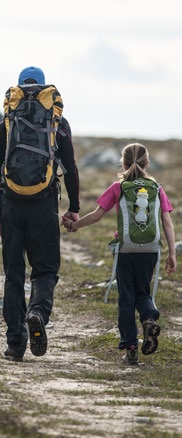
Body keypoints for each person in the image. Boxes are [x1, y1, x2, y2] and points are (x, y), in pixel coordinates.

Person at [0, 66, 80, 362]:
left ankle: (15, 344)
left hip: (10, 204)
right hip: (44, 204)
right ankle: (38, 312)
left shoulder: (7, 123)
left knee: (13, 275)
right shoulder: (57, 122)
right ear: (42, 90)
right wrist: (74, 208)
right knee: (46, 270)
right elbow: (71, 170)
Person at [62, 143, 176, 364]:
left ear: (123, 164)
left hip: (125, 250)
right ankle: (149, 318)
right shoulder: (157, 188)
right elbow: (167, 222)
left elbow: (96, 215)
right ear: (148, 163)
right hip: (151, 250)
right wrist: (172, 252)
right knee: (143, 293)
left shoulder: (118, 187)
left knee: (126, 297)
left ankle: (131, 347)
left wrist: (74, 226)